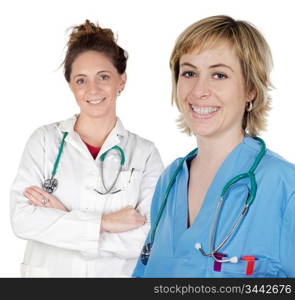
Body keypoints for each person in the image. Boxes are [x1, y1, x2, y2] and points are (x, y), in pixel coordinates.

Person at [133, 15, 295, 278]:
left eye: (219, 75)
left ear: (251, 89)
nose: (199, 90)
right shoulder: (169, 182)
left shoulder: (284, 186)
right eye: (189, 73)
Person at [10, 20, 163, 277]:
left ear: (121, 81)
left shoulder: (145, 153)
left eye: (103, 77)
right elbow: (22, 220)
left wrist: (63, 219)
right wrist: (106, 223)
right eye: (81, 80)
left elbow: (148, 240)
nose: (93, 89)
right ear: (71, 85)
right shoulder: (44, 142)